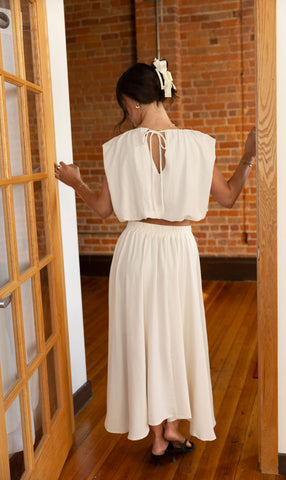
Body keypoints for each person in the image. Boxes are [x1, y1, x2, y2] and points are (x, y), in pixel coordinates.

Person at [55, 58, 256, 464]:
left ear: (132, 103)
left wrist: (77, 183)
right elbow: (229, 197)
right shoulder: (199, 144)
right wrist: (249, 157)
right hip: (179, 248)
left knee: (144, 337)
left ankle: (157, 437)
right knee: (177, 336)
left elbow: (103, 210)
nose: (125, 115)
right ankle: (174, 427)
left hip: (137, 248)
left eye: (124, 107)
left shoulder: (119, 148)